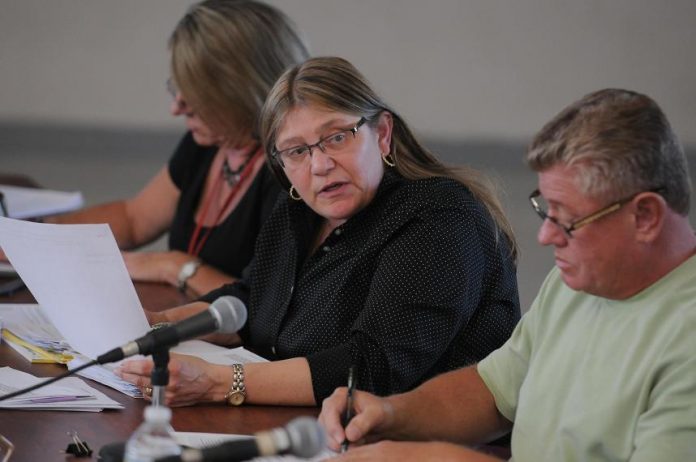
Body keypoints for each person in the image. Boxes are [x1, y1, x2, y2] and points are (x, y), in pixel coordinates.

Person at [115, 56, 520, 407]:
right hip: (312, 427)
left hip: (422, 445)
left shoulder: (439, 219)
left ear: (382, 134)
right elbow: (250, 301)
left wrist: (220, 383)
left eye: (337, 137)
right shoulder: (298, 212)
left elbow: (373, 368)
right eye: (297, 151)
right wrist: (157, 326)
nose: (320, 164)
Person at [319, 89, 696, 461]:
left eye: (568, 219)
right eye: (545, 208)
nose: (546, 235)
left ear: (645, 216)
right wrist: (391, 415)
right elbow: (492, 392)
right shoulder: (578, 282)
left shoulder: (685, 339)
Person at [40, 0, 309, 296]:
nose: (176, 107)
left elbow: (266, 302)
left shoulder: (289, 172)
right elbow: (135, 219)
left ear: (243, 91)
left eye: (194, 92)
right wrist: (39, 233)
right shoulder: (208, 143)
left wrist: (175, 266)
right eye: (176, 87)